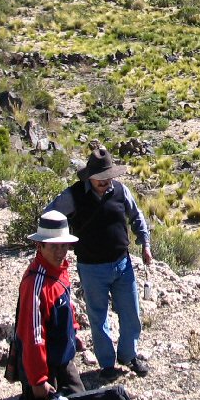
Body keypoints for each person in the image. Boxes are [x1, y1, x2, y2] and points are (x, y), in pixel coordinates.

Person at [45, 143, 152, 380]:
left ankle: (128, 355)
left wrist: (145, 243)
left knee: (131, 312)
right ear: (90, 177)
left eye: (108, 177)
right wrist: (58, 244)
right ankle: (106, 364)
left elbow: (136, 216)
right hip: (91, 267)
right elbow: (49, 215)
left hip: (122, 264)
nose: (105, 182)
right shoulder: (73, 196)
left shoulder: (121, 191)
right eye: (100, 178)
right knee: (98, 316)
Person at [15, 210, 85, 400]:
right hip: (45, 366)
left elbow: (67, 305)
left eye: (64, 246)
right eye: (54, 246)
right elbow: (33, 335)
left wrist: (73, 332)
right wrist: (38, 380)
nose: (60, 252)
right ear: (40, 245)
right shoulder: (35, 283)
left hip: (63, 358)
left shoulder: (61, 271)